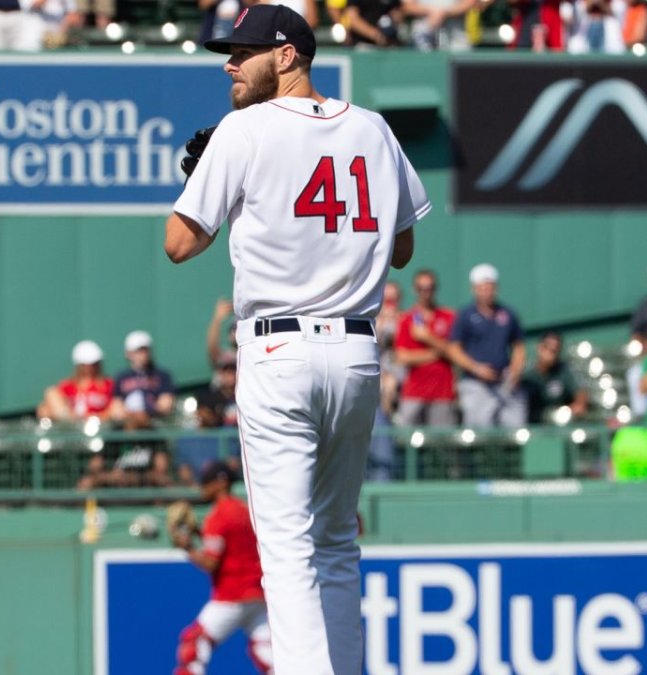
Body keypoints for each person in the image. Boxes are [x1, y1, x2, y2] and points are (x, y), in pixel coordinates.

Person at [163, 5, 429, 671]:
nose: (230, 62)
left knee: (284, 544)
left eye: (243, 51)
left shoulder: (243, 129)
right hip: (356, 354)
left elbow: (178, 244)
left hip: (279, 350)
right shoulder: (371, 127)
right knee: (336, 537)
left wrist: (203, 181)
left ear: (287, 56)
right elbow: (402, 249)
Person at [172, 463, 272, 674]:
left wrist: (187, 547)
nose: (202, 487)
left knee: (193, 645)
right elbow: (233, 545)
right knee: (269, 656)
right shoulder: (244, 510)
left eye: (207, 482)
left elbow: (211, 563)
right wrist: (199, 532)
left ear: (221, 483)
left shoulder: (218, 516)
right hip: (258, 595)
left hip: (231, 596)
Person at [446, 263, 528, 428]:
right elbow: (454, 349)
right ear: (474, 289)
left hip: (503, 382)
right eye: (482, 288)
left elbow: (519, 346)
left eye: (490, 287)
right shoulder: (466, 315)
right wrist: (476, 368)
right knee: (480, 429)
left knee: (515, 426)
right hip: (476, 384)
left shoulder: (507, 314)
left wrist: (515, 371)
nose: (486, 292)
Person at [393, 269, 457, 427]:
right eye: (421, 288)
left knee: (440, 444)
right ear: (415, 289)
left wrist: (428, 338)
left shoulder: (448, 317)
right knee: (408, 442)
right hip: (414, 392)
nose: (425, 293)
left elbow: (456, 353)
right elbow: (402, 357)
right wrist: (437, 353)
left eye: (429, 288)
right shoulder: (407, 319)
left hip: (443, 392)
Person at [36, 340, 116, 422]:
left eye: (93, 364)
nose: (89, 368)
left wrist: (90, 418)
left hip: (98, 424)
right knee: (50, 393)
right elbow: (48, 409)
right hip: (71, 426)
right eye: (84, 365)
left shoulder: (108, 384)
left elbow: (115, 410)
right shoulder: (68, 385)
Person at [113, 330, 175, 431]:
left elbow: (165, 405)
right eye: (138, 351)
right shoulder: (121, 377)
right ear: (128, 353)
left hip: (154, 424)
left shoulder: (163, 375)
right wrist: (132, 416)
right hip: (128, 423)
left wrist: (145, 414)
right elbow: (116, 408)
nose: (143, 354)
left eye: (145, 350)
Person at [521, 331, 588, 424]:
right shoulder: (527, 373)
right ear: (539, 348)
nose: (549, 354)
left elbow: (580, 392)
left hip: (559, 420)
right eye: (546, 348)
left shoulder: (564, 370)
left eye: (554, 351)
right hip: (531, 422)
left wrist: (577, 405)